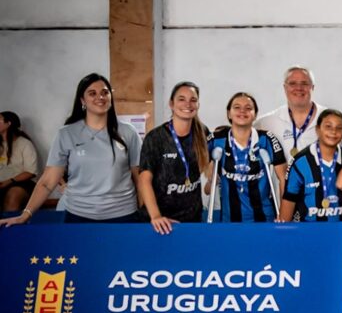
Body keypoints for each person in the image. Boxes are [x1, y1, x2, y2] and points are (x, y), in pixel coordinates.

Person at [0, 73, 141, 226]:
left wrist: (146, 212)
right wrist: (25, 215)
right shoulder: (66, 134)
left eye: (105, 92)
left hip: (123, 215)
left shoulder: (128, 132)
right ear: (82, 100)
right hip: (79, 216)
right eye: (92, 93)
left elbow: (139, 178)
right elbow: (48, 181)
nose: (100, 97)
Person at [138, 82, 212, 234]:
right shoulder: (156, 137)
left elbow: (210, 170)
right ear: (171, 104)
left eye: (193, 100)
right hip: (161, 222)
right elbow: (144, 180)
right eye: (181, 99)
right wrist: (156, 216)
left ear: (198, 104)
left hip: (192, 221)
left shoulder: (203, 132)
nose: (188, 104)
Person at [253, 66, 342, 165]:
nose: (299, 88)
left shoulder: (334, 120)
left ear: (312, 87)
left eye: (304, 83)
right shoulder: (266, 122)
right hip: (283, 187)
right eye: (292, 83)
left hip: (326, 185)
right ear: (285, 87)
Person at [207, 92, 286, 222]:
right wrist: (210, 176)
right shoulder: (217, 139)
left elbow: (283, 178)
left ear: (255, 114)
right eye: (237, 107)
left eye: (248, 108)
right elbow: (195, 163)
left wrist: (283, 215)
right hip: (230, 220)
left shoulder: (267, 139)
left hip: (264, 219)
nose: (242, 111)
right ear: (229, 113)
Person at [279, 109, 342, 222]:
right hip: (307, 232)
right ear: (318, 129)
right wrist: (283, 233)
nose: (334, 132)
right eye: (328, 126)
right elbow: (289, 199)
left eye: (339, 128)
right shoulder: (300, 162)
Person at [0, 111, 39, 213]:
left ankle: (10, 227)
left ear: (8, 123)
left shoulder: (24, 143)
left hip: (20, 183)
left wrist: (9, 181)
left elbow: (31, 172)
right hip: (1, 183)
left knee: (13, 195)